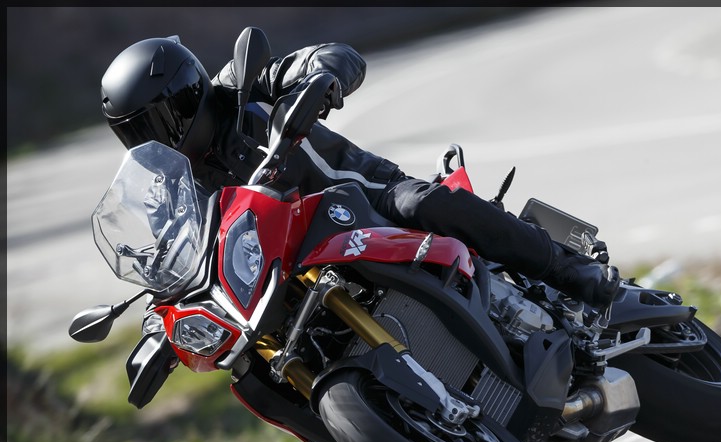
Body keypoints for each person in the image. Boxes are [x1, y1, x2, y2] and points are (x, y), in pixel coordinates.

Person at [99, 33, 620, 313]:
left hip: (369, 198)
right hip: (294, 261)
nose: (156, 139)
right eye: (137, 132)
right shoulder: (170, 188)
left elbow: (334, 55)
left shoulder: (240, 87)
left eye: (159, 120)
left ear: (188, 93)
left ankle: (570, 270)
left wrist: (323, 77)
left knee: (424, 204)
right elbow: (176, 250)